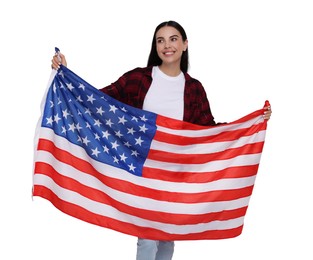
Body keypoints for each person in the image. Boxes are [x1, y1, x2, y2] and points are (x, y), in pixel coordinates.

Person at [51, 20, 272, 260]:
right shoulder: (139, 78)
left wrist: (250, 124)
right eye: (161, 40)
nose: (167, 45)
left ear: (185, 44)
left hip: (176, 177)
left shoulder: (194, 88)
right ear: (155, 46)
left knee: (167, 239)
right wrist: (67, 75)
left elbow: (208, 130)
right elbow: (97, 100)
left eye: (173, 39)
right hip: (143, 174)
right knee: (147, 238)